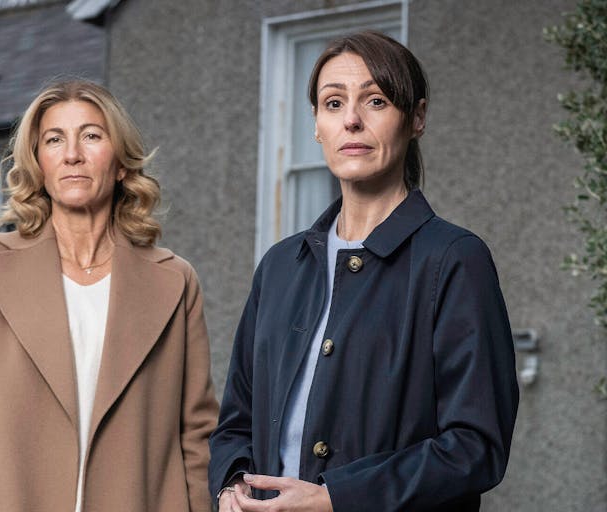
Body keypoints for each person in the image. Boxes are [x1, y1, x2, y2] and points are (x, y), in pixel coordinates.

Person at [209, 31, 519, 512]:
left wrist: (338, 498)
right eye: (333, 103)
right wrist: (230, 488)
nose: (351, 120)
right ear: (316, 124)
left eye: (375, 100)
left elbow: (477, 446)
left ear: (416, 118)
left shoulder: (455, 259)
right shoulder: (279, 267)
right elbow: (236, 422)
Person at [0, 79, 219, 512]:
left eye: (91, 136)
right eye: (55, 140)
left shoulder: (174, 282)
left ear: (120, 164)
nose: (72, 154)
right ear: (38, 163)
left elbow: (197, 431)